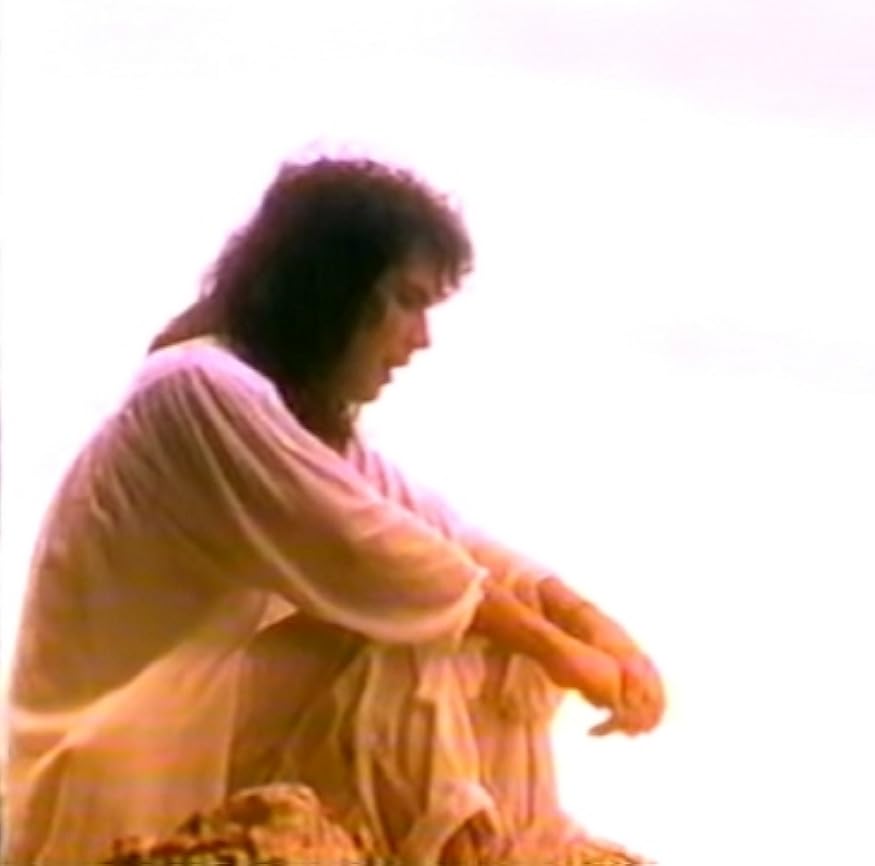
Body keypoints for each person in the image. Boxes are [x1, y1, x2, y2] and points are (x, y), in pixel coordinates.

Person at [3, 157, 666, 866]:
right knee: (409, 623)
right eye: (406, 301)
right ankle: (471, 853)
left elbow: (450, 537)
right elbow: (384, 559)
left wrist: (596, 630)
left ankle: (516, 845)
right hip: (99, 771)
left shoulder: (290, 414)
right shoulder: (196, 387)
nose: (421, 338)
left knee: (468, 611)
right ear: (334, 291)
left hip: (193, 740)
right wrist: (561, 654)